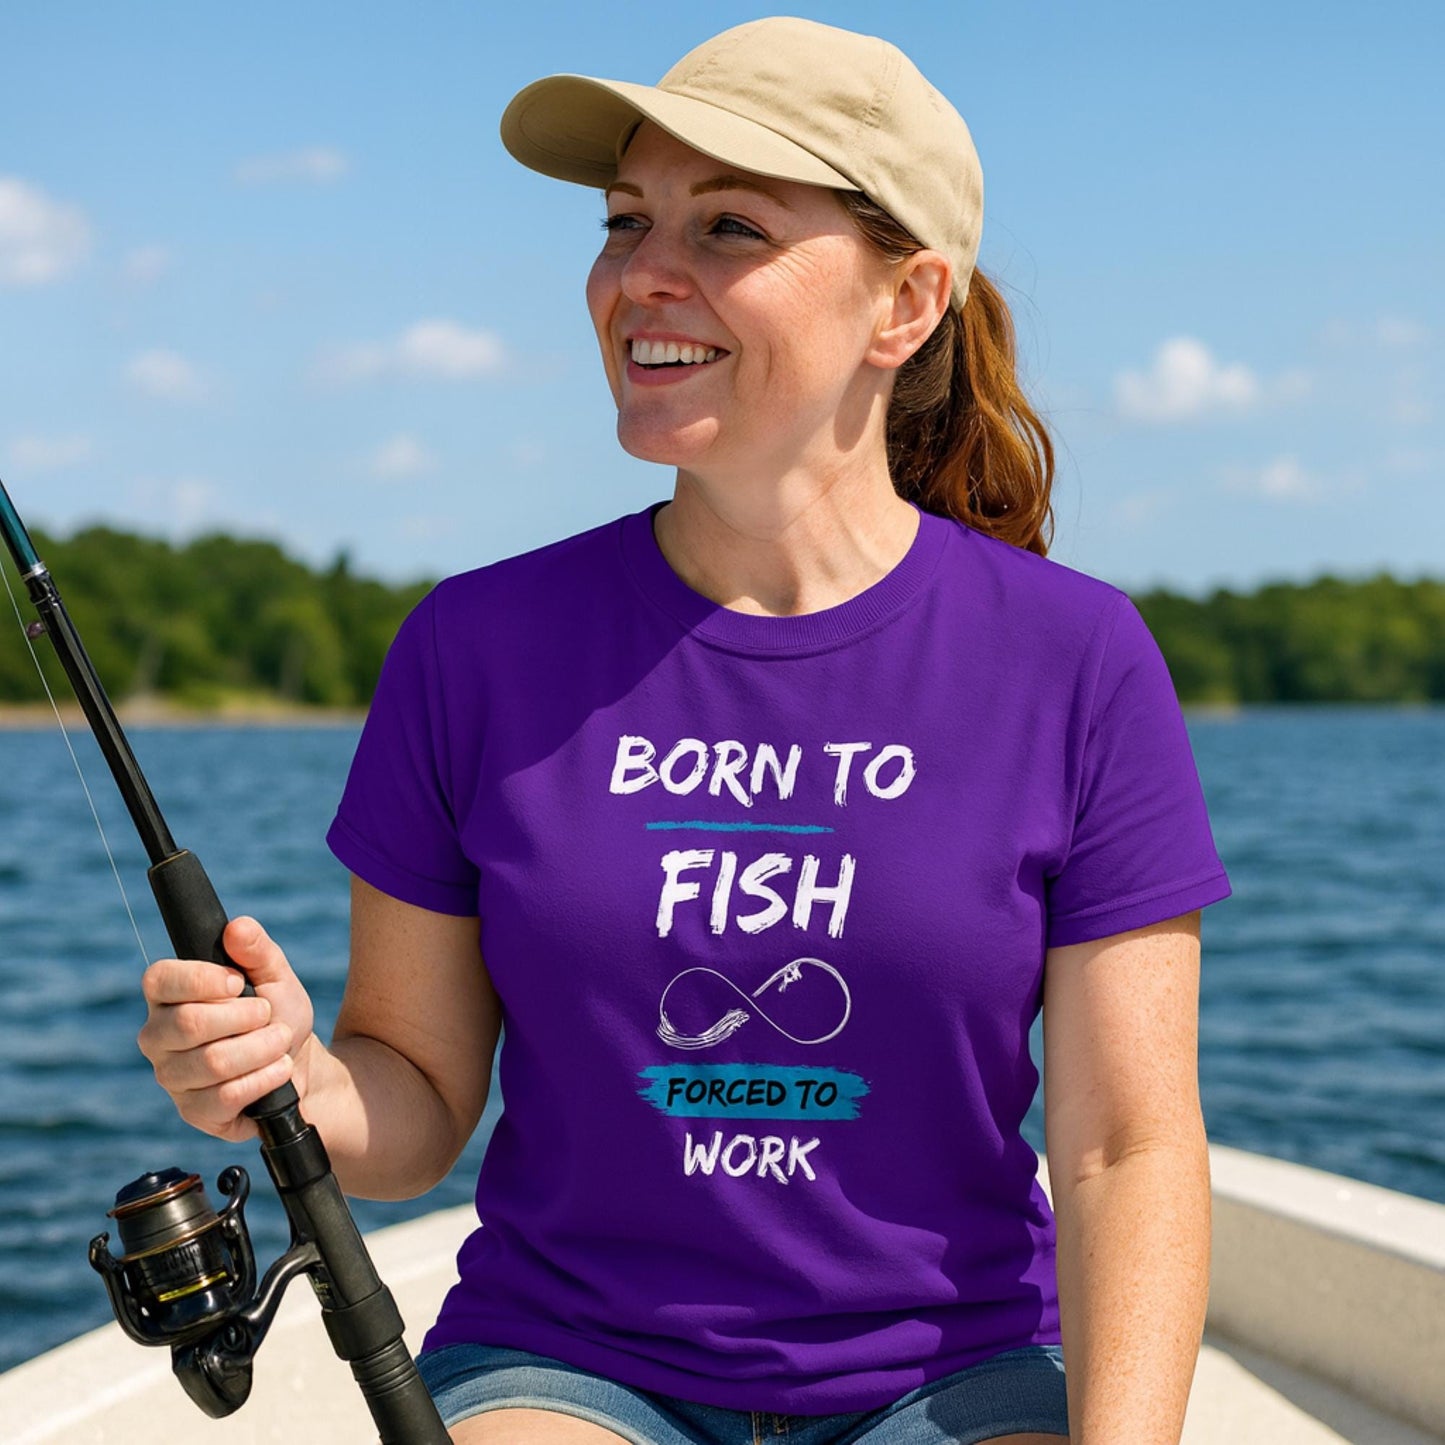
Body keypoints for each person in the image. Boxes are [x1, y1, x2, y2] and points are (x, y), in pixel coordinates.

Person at [139, 17, 1230, 1445]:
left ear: (904, 302)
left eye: (727, 226)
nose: (641, 275)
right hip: (570, 1360)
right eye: (623, 220)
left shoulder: (1077, 659)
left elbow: (1123, 1147)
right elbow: (412, 1100)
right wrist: (296, 1076)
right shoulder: (472, 648)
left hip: (945, 1368)